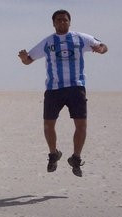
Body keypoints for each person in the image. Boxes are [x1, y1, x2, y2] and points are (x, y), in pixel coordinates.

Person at [18, 9, 108, 177]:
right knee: (48, 124)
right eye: (58, 20)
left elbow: (103, 45)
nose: (62, 22)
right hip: (54, 89)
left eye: (65, 20)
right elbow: (29, 60)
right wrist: (24, 58)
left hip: (76, 88)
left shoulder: (80, 38)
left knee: (81, 125)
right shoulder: (48, 42)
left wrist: (100, 49)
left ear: (69, 22)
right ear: (53, 23)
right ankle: (53, 154)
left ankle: (76, 158)